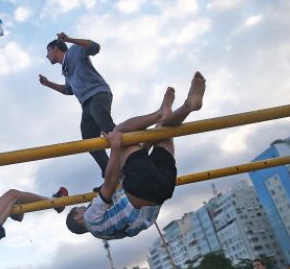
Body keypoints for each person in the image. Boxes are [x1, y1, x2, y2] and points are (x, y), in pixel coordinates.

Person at [65, 72, 206, 238]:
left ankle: (187, 107)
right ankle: (160, 113)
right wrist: (115, 148)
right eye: (80, 208)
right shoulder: (90, 217)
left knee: (162, 131)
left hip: (162, 189)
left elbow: (138, 172)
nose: (85, 206)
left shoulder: (110, 232)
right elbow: (109, 185)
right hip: (140, 187)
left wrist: (144, 147)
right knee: (119, 132)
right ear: (78, 216)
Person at [39, 32, 116, 178]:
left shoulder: (74, 50)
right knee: (88, 138)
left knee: (106, 125)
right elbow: (68, 90)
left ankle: (133, 153)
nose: (47, 55)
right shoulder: (66, 69)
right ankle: (110, 173)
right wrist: (48, 83)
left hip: (97, 93)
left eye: (48, 51)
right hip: (86, 103)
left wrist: (69, 40)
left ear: (56, 48)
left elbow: (95, 47)